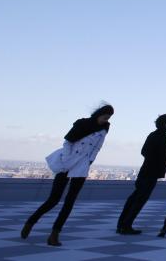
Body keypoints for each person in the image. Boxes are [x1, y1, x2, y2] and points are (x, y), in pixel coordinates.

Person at [21, 104, 114, 247]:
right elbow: (68, 142)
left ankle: (54, 234)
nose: (105, 120)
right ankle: (31, 222)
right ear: (99, 114)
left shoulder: (105, 128)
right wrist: (66, 159)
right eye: (104, 117)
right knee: (54, 199)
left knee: (70, 202)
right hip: (68, 161)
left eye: (108, 118)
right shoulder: (82, 124)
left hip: (82, 165)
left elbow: (97, 147)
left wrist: (89, 161)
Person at [116, 114, 166, 235]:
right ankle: (126, 225)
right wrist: (157, 164)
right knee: (140, 199)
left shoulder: (154, 134)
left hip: (146, 171)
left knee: (135, 198)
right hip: (151, 172)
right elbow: (157, 154)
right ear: (165, 123)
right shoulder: (163, 135)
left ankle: (121, 224)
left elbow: (144, 151)